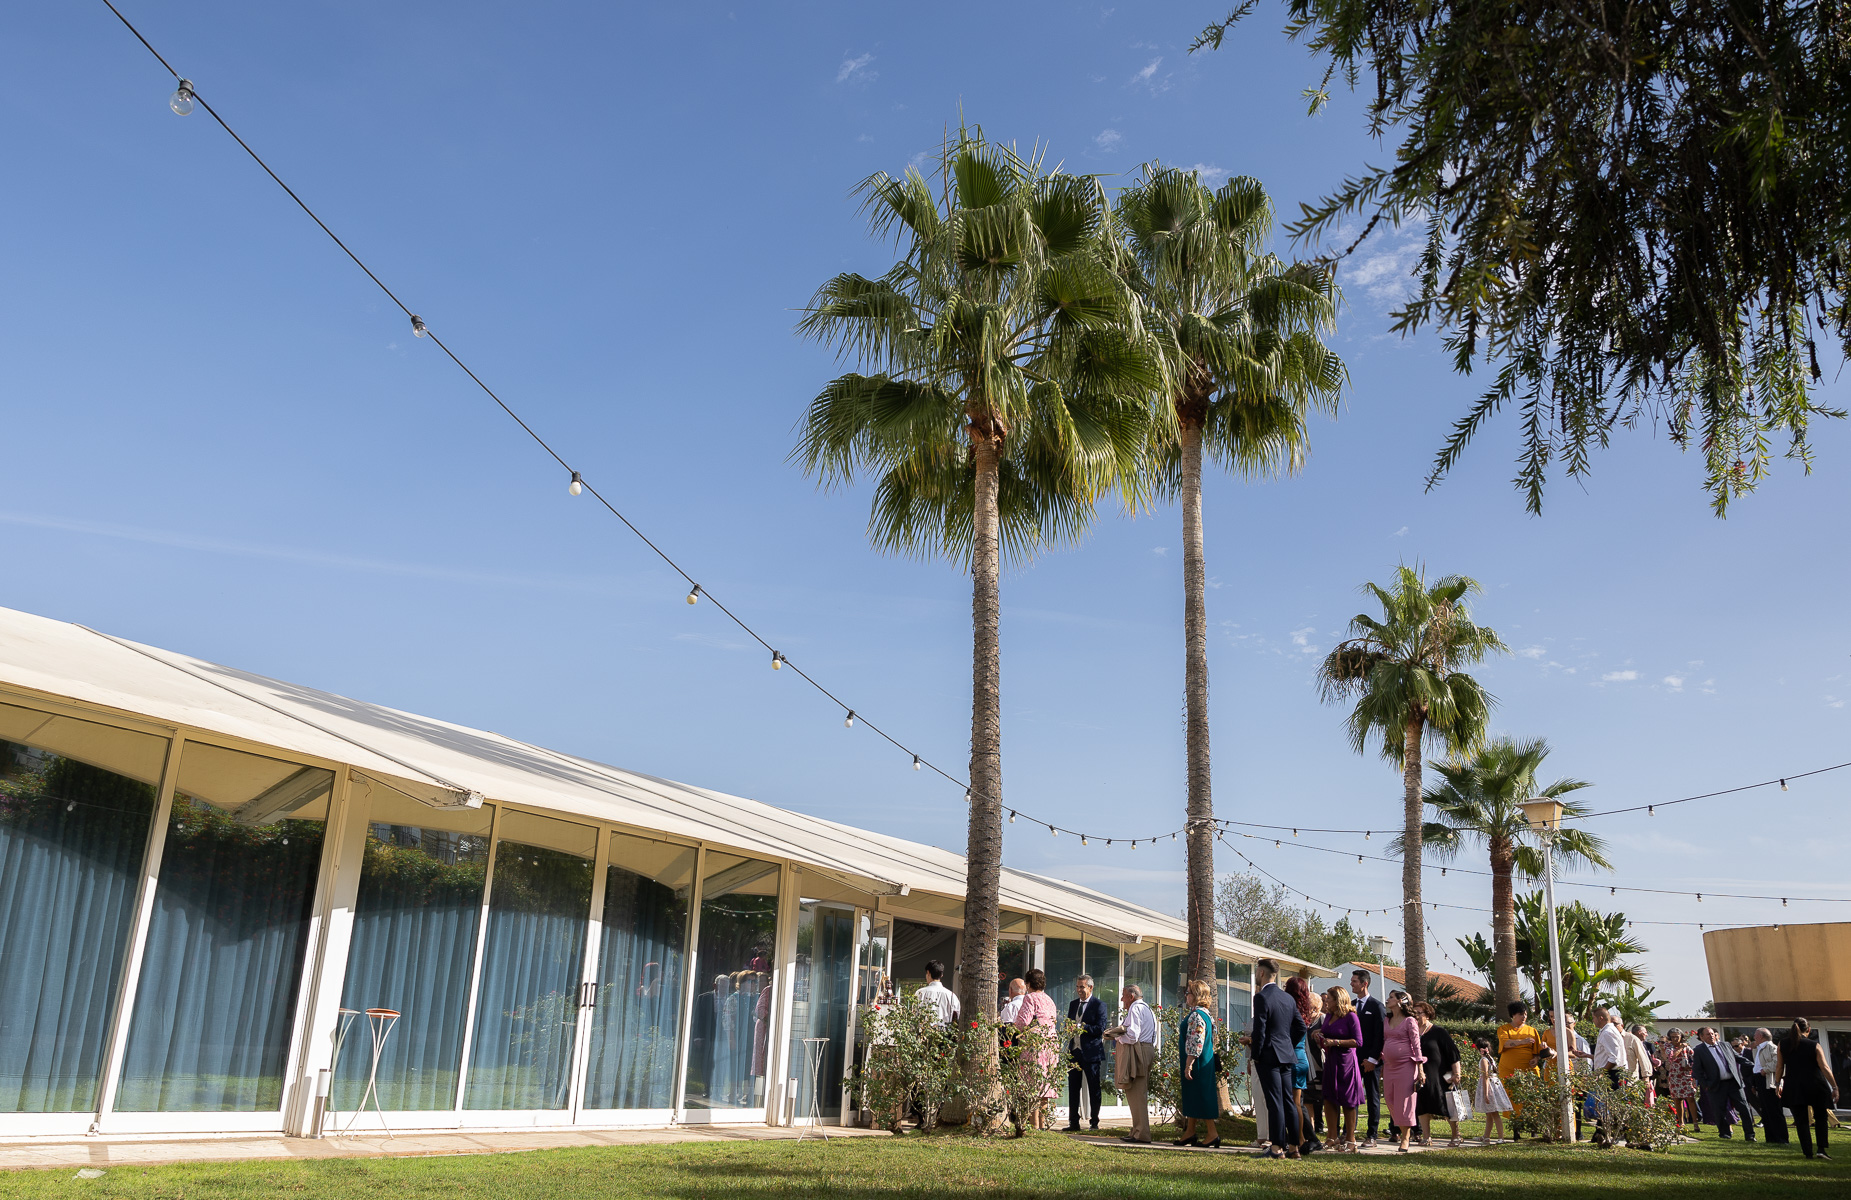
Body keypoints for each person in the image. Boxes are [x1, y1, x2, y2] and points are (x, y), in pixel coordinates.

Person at [1246, 958, 1305, 1159]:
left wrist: (1256, 1055)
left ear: (1261, 973)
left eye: (1257, 971)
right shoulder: (1287, 998)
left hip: (1268, 1055)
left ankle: (1277, 1148)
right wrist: (1287, 1044)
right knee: (1288, 1100)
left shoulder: (1262, 997)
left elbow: (1260, 1030)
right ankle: (1294, 1147)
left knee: (1274, 1102)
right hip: (1286, 1055)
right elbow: (1301, 1027)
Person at [1775, 1017, 1840, 1160]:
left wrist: (1778, 1083)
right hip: (1815, 1084)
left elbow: (1779, 1067)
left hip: (1794, 1086)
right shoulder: (1814, 1045)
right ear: (1809, 1030)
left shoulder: (1783, 1044)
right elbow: (1824, 1067)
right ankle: (1821, 1149)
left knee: (1801, 1121)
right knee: (1821, 1117)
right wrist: (1834, 1087)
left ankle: (1808, 1153)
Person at [1107, 983, 1157, 1143]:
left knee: (1136, 1093)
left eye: (1123, 996)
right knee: (1136, 1092)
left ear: (1131, 996)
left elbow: (1133, 1035)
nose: (1122, 999)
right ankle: (1136, 1131)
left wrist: (1117, 1036)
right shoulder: (1147, 1008)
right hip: (1146, 1049)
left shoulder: (1136, 1008)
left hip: (1138, 1051)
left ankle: (1141, 1134)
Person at [1176, 978, 1222, 1148]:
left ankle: (1212, 1133)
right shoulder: (1206, 1014)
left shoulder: (1196, 1015)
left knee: (1202, 1096)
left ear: (1196, 995)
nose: (1186, 995)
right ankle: (1190, 1131)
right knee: (1194, 1095)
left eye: (1188, 993)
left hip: (1198, 1063)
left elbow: (1195, 1042)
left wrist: (1189, 1064)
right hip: (1204, 1061)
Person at [1318, 986, 1365, 1152]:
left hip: (1346, 1062)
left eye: (1329, 999)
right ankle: (1332, 1137)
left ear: (1338, 1000)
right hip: (1331, 1061)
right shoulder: (1329, 1015)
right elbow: (1326, 1033)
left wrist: (1336, 1042)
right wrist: (1319, 1035)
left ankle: (1351, 1140)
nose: (1326, 1002)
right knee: (1329, 1098)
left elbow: (1358, 1042)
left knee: (1348, 1100)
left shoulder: (1351, 1017)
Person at [1011, 968, 1059, 1132]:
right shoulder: (1049, 999)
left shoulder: (1030, 998)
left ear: (1028, 984)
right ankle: (1043, 1125)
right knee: (1045, 1086)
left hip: (1035, 1044)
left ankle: (1034, 1125)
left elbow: (1023, 1021)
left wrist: (1013, 1027)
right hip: (1051, 1044)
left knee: (1032, 1085)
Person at [1381, 989, 1427, 1153]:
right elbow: (1385, 1040)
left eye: (1391, 997)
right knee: (1390, 1099)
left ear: (1400, 1001)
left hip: (1406, 1066)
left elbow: (1416, 1045)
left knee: (1405, 1102)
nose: (1388, 1000)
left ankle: (1405, 1138)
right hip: (1389, 1066)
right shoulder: (1387, 1020)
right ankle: (1402, 1128)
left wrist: (1420, 1069)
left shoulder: (1410, 1021)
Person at [1412, 1001, 1462, 1147]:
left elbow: (1453, 1054)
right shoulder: (1412, 1032)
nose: (1416, 1016)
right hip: (1420, 1075)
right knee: (1421, 1105)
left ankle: (1456, 1135)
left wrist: (1456, 1073)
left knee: (1447, 1106)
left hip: (1439, 1076)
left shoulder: (1438, 1032)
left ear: (1428, 1015)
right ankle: (1426, 1137)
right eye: (1414, 1013)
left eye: (1419, 1013)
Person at [1693, 1026, 1754, 1141]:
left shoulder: (1725, 1045)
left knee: (1744, 1108)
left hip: (1733, 1083)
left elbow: (1737, 1058)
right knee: (1719, 1111)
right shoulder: (1699, 1050)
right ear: (1701, 1037)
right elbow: (1697, 1070)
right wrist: (1705, 1085)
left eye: (1712, 1033)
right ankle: (1725, 1134)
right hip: (1716, 1085)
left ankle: (1750, 1134)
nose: (1711, 1036)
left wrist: (1754, 1066)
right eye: (1708, 1034)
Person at [1283, 976, 1322, 1153]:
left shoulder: (1292, 1011)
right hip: (1301, 1058)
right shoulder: (1303, 1011)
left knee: (1294, 1103)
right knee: (1297, 1102)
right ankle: (1301, 1138)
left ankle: (1299, 1139)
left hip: (1293, 1058)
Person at [1065, 973, 1107, 1131]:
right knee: (1073, 1088)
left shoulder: (1099, 1005)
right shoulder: (1073, 1004)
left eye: (1082, 987)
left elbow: (1100, 1028)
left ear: (1090, 987)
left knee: (1094, 1088)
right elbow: (1069, 1023)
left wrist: (1080, 1027)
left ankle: (1094, 1122)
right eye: (1077, 987)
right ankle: (1073, 1122)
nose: (1079, 990)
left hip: (1091, 1053)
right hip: (1074, 1051)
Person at [1351, 968, 1387, 1147]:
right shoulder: (1350, 1005)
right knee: (1352, 1096)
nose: (1351, 984)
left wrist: (1373, 1059)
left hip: (1371, 1061)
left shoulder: (1376, 1006)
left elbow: (1380, 1035)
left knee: (1372, 1097)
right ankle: (1349, 1132)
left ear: (1364, 984)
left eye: (1354, 981)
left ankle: (1372, 1135)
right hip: (1353, 1060)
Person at [1495, 1001, 1542, 1136]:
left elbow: (1537, 1051)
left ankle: (1533, 1128)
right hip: (1509, 1070)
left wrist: (1536, 1059)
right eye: (1521, 1014)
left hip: (1528, 1070)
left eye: (1525, 1014)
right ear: (1513, 1015)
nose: (1524, 1017)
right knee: (1512, 1097)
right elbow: (1506, 1043)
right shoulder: (1504, 1029)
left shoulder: (1532, 1030)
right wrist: (1522, 1042)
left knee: (1532, 1096)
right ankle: (1516, 1129)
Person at [1751, 1027, 1789, 1145]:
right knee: (1766, 1111)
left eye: (1755, 1035)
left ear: (1761, 1036)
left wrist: (1765, 1070)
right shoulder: (1758, 1049)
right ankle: (1771, 1138)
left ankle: (1782, 1138)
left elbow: (1778, 1063)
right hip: (1760, 1080)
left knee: (1774, 1110)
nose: (1754, 1037)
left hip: (1769, 1081)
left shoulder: (1771, 1047)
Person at [1474, 1035, 1513, 1145]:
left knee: (1494, 1113)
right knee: (1489, 1113)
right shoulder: (1490, 1059)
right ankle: (1486, 1136)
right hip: (1494, 1085)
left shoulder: (1484, 1060)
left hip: (1489, 1087)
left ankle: (1501, 1137)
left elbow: (1485, 1077)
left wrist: (1486, 1094)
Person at [1664, 1029, 1700, 1130]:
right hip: (1675, 1076)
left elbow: (1694, 1058)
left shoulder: (1686, 1047)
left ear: (1681, 1037)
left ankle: (1695, 1122)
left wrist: (1690, 1066)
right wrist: (1680, 1047)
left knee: (1690, 1098)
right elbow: (1672, 1057)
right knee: (1677, 1099)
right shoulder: (1668, 1046)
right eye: (1673, 1037)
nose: (1675, 1039)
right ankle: (1681, 1122)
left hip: (1686, 1075)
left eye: (1677, 1036)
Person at [917, 960, 960, 1027]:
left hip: (925, 1031)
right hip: (946, 1032)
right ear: (941, 975)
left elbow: (915, 1015)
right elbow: (957, 1017)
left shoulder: (920, 993)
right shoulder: (951, 995)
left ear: (928, 972)